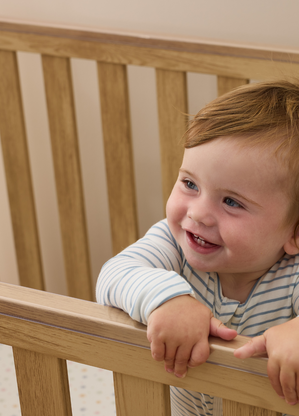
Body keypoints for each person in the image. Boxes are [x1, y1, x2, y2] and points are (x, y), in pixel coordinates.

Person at [96, 79, 299, 416]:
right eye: (190, 183)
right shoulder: (174, 244)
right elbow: (113, 274)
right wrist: (169, 298)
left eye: (232, 202)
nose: (197, 213)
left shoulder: (292, 277)